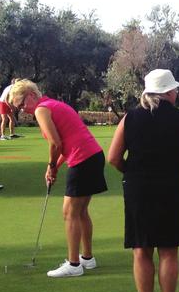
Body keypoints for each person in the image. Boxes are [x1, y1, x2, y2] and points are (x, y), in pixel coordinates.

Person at [108, 69, 179, 292]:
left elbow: (113, 158)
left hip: (138, 188)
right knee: (168, 250)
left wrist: (130, 171)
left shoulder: (130, 118)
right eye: (174, 89)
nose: (176, 93)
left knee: (141, 249)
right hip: (171, 187)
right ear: (167, 92)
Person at [8, 80, 108, 278]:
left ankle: (73, 264)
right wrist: (53, 167)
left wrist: (52, 166)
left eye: (21, 104)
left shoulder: (41, 109)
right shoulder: (54, 105)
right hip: (93, 156)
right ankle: (87, 259)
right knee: (80, 211)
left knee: (69, 212)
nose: (22, 110)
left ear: (30, 95)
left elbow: (56, 143)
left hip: (83, 159)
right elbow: (64, 143)